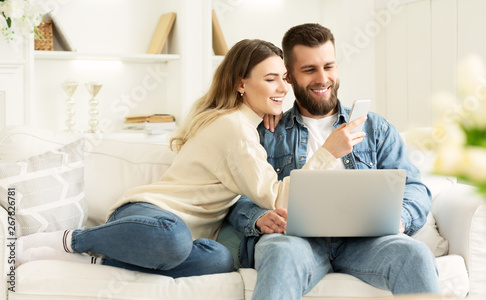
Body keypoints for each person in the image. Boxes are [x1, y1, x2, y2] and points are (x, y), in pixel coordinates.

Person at [15, 38, 366, 278]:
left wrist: (265, 116)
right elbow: (275, 197)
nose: (282, 88)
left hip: (185, 235)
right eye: (271, 79)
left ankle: (102, 258)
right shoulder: (234, 128)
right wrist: (327, 153)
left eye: (283, 80)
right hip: (151, 217)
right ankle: (72, 241)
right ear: (242, 84)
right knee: (173, 239)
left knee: (219, 259)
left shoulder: (244, 124)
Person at [225, 23, 440, 299]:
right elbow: (236, 195)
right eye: (309, 70)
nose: (322, 78)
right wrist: (257, 218)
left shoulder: (375, 128)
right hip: (295, 241)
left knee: (415, 254)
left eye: (329, 66)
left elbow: (415, 188)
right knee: (280, 252)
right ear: (289, 77)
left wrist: (401, 218)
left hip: (366, 243)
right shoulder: (266, 132)